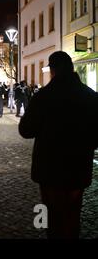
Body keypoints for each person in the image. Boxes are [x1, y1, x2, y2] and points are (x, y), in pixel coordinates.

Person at [19, 51, 98, 239]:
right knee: (73, 214)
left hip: (49, 168)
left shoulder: (43, 97)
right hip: (78, 167)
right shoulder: (90, 96)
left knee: (51, 215)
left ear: (53, 71)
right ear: (72, 69)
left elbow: (25, 130)